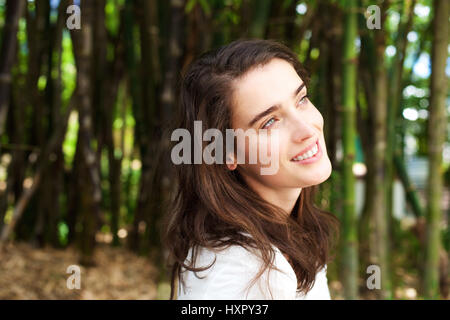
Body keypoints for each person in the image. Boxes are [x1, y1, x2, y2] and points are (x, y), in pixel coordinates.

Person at [162, 39, 340, 300]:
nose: (306, 129)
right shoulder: (250, 272)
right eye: (269, 122)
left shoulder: (288, 236)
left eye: (301, 99)